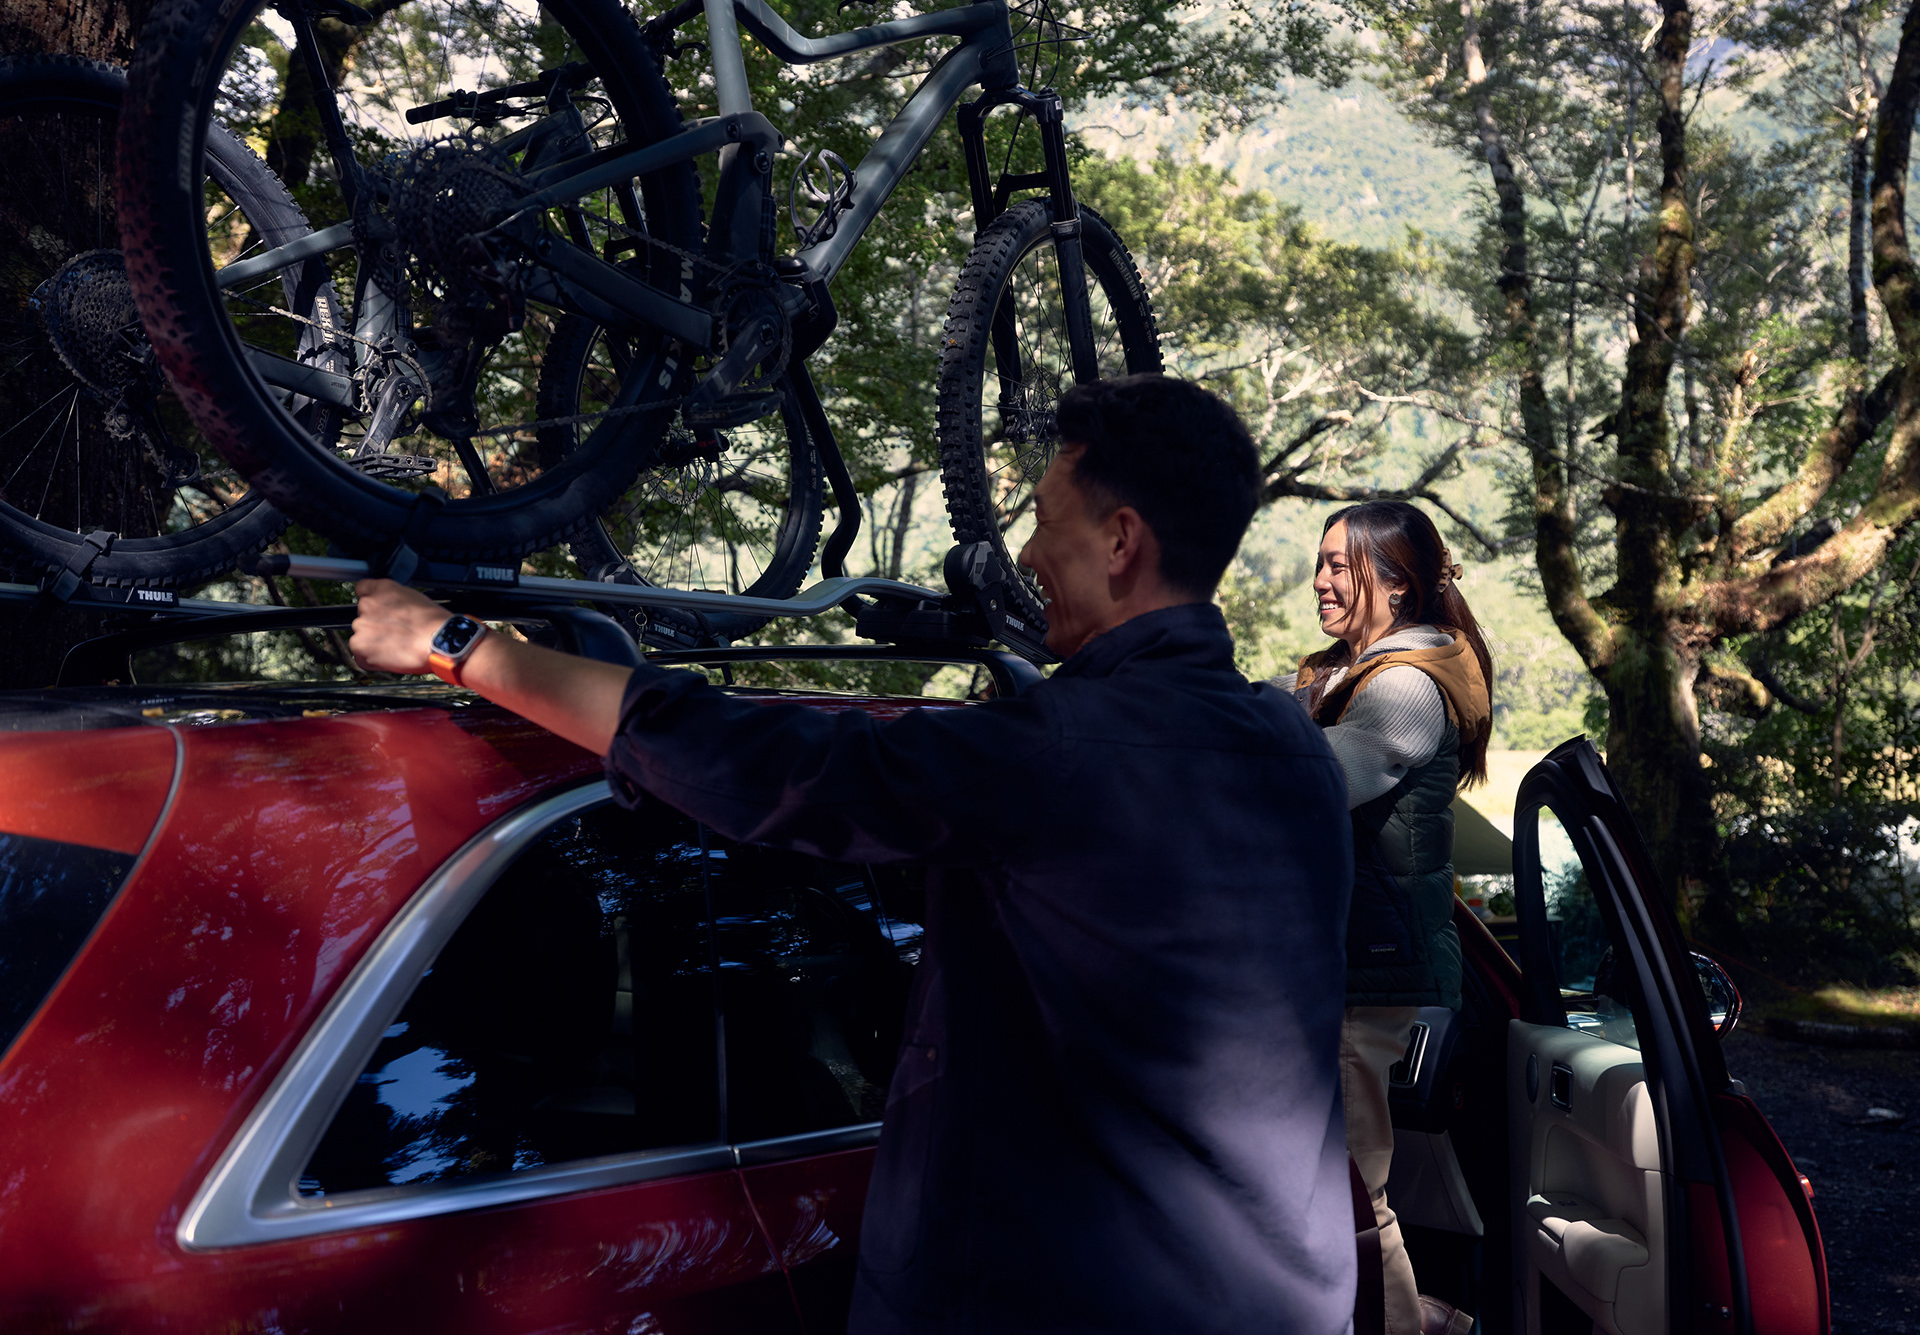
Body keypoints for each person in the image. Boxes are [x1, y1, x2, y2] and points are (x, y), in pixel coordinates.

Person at [351, 375, 1358, 1335]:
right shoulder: (1294, 748)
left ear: (1122, 540)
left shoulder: (1058, 754)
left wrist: (458, 644)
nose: (1028, 551)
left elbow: (772, 767)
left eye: (1047, 520)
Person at [1289, 501, 1493, 1335]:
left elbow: (1308, 782)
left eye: (1341, 565)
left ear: (1398, 584)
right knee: (1339, 1183)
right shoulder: (1349, 672)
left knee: (1353, 1188)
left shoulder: (1405, 685)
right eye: (1320, 562)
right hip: (1348, 963)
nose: (1321, 580)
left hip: (1369, 967)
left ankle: (1412, 1327)